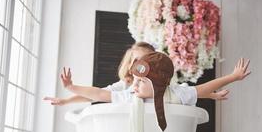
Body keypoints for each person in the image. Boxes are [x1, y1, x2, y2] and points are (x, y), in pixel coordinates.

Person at [44, 42, 229, 105]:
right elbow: (96, 94)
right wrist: (67, 98)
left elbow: (180, 93)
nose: (140, 66)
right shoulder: (125, 88)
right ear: (130, 63)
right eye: (136, 61)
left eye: (145, 61)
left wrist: (211, 95)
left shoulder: (160, 85)